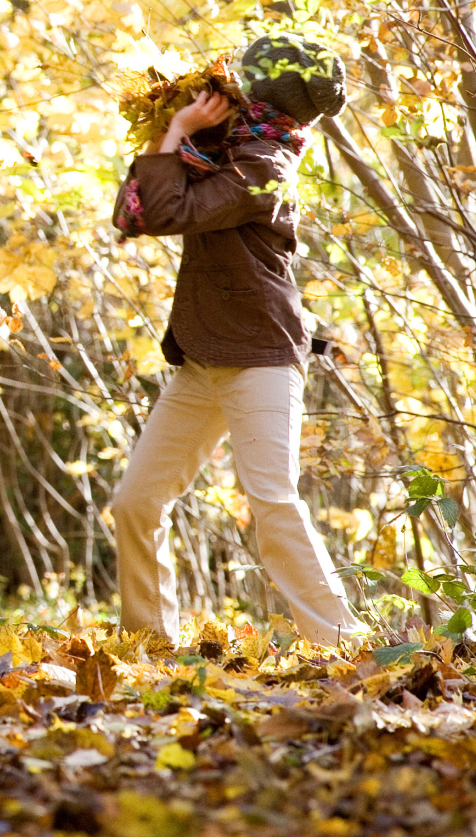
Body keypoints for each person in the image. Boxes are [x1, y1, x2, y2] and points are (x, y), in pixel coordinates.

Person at [108, 32, 364, 647]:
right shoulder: (225, 147)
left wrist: (174, 134)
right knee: (135, 503)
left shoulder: (264, 168)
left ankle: (346, 647)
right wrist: (172, 133)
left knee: (272, 504)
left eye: (243, 80)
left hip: (262, 357)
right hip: (203, 358)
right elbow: (133, 212)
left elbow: (170, 214)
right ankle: (149, 643)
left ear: (264, 98)